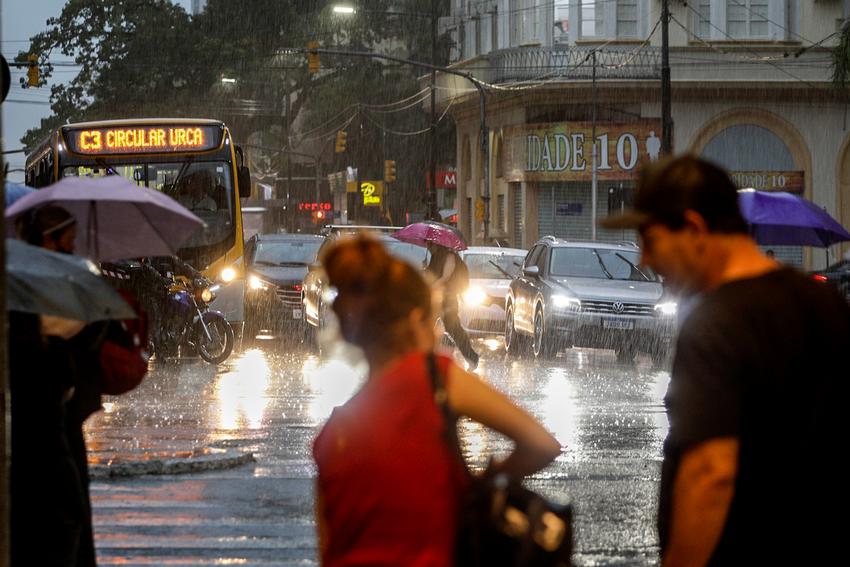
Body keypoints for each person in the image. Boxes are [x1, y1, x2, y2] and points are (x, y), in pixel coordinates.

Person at [601, 155, 850, 567]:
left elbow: (710, 474)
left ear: (695, 229)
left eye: (651, 239)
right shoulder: (826, 304)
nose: (645, 259)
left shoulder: (714, 326)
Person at [312, 235, 560, 567]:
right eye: (433, 319)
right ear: (417, 321)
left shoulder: (330, 438)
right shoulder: (434, 379)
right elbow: (541, 444)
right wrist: (483, 485)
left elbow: (328, 548)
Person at [426, 241, 480, 370]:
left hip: (448, 300)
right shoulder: (435, 257)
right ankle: (427, 360)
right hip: (436, 299)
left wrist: (430, 287)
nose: (427, 246)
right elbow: (433, 276)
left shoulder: (449, 256)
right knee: (427, 328)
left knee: (454, 330)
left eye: (429, 243)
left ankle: (472, 357)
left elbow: (445, 277)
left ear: (436, 243)